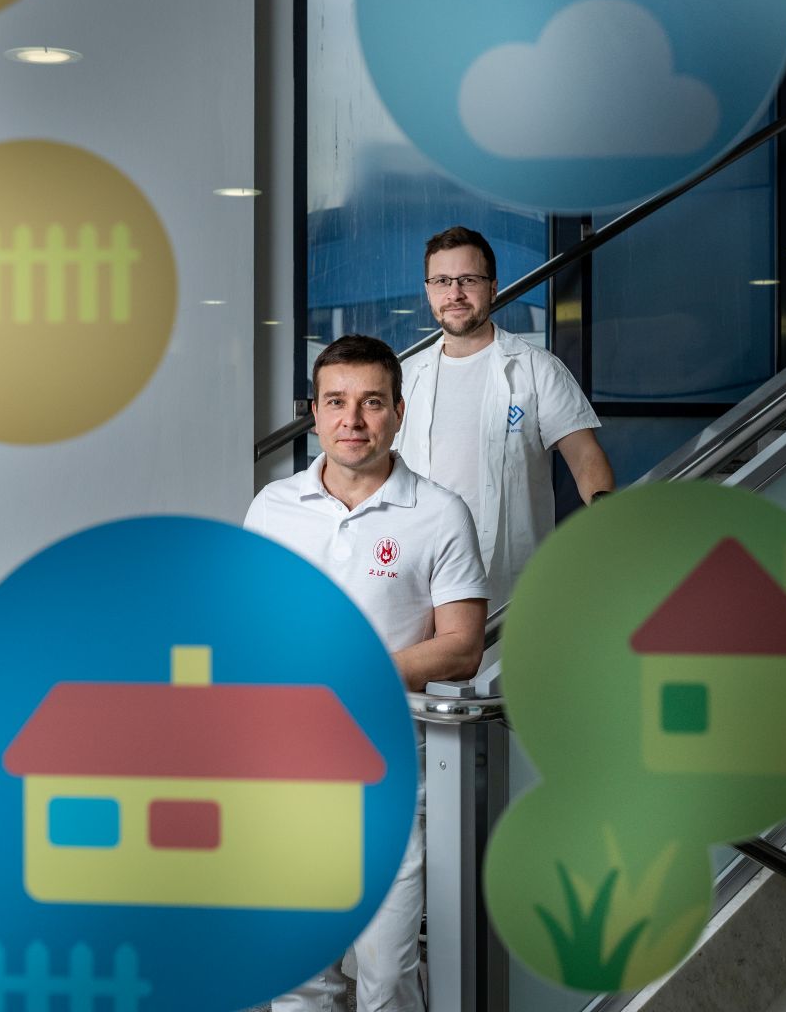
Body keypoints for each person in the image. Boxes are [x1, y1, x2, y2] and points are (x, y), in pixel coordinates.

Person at [244, 333, 488, 1012]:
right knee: (300, 979)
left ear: (398, 412)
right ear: (314, 413)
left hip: (390, 780)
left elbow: (462, 646)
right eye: (336, 402)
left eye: (372, 402)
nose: (352, 419)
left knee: (387, 978)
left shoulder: (439, 513)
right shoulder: (272, 508)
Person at [397, 225, 615, 612]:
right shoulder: (405, 376)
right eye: (442, 281)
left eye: (468, 280)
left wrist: (605, 517)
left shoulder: (536, 368)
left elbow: (584, 457)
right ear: (428, 290)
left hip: (511, 580)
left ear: (493, 288)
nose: (454, 293)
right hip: (420, 574)